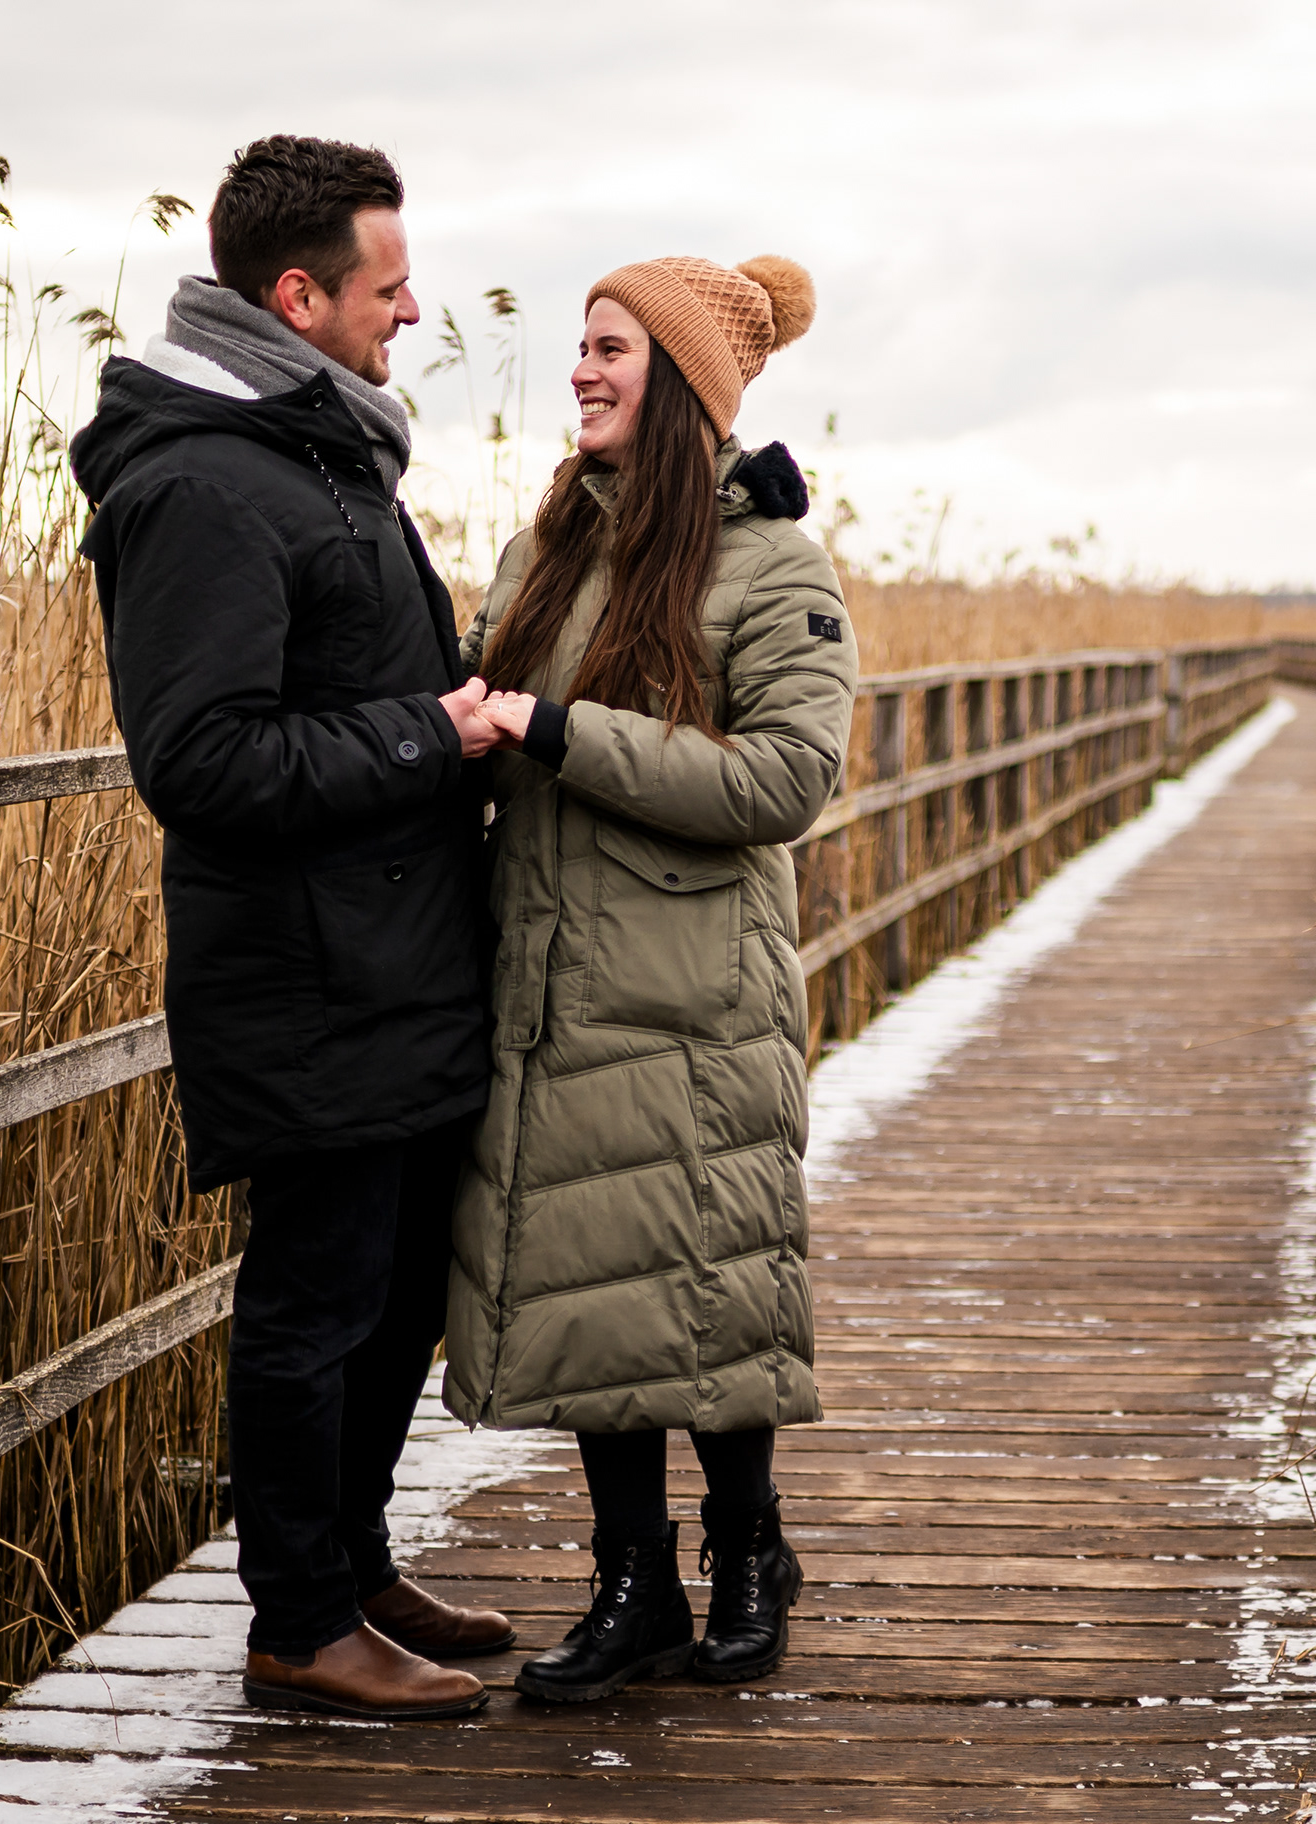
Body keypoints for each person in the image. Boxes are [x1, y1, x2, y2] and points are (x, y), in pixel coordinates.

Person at [69, 136, 515, 1720]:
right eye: (389, 289)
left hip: (395, 959)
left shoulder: (324, 453)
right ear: (298, 293)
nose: (413, 313)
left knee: (397, 1290)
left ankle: (353, 1564)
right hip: (306, 973)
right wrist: (429, 738)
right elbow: (198, 762)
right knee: (317, 1299)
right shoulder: (202, 481)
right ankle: (297, 1626)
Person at [441, 254, 854, 1702]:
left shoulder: (773, 564)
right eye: (579, 348)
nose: (581, 371)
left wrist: (559, 732)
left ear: (679, 381)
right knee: (581, 1290)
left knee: (709, 1284)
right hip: (548, 983)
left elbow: (789, 779)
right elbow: (482, 681)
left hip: (692, 996)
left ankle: (750, 1559)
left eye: (611, 349)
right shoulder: (551, 545)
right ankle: (633, 1591)